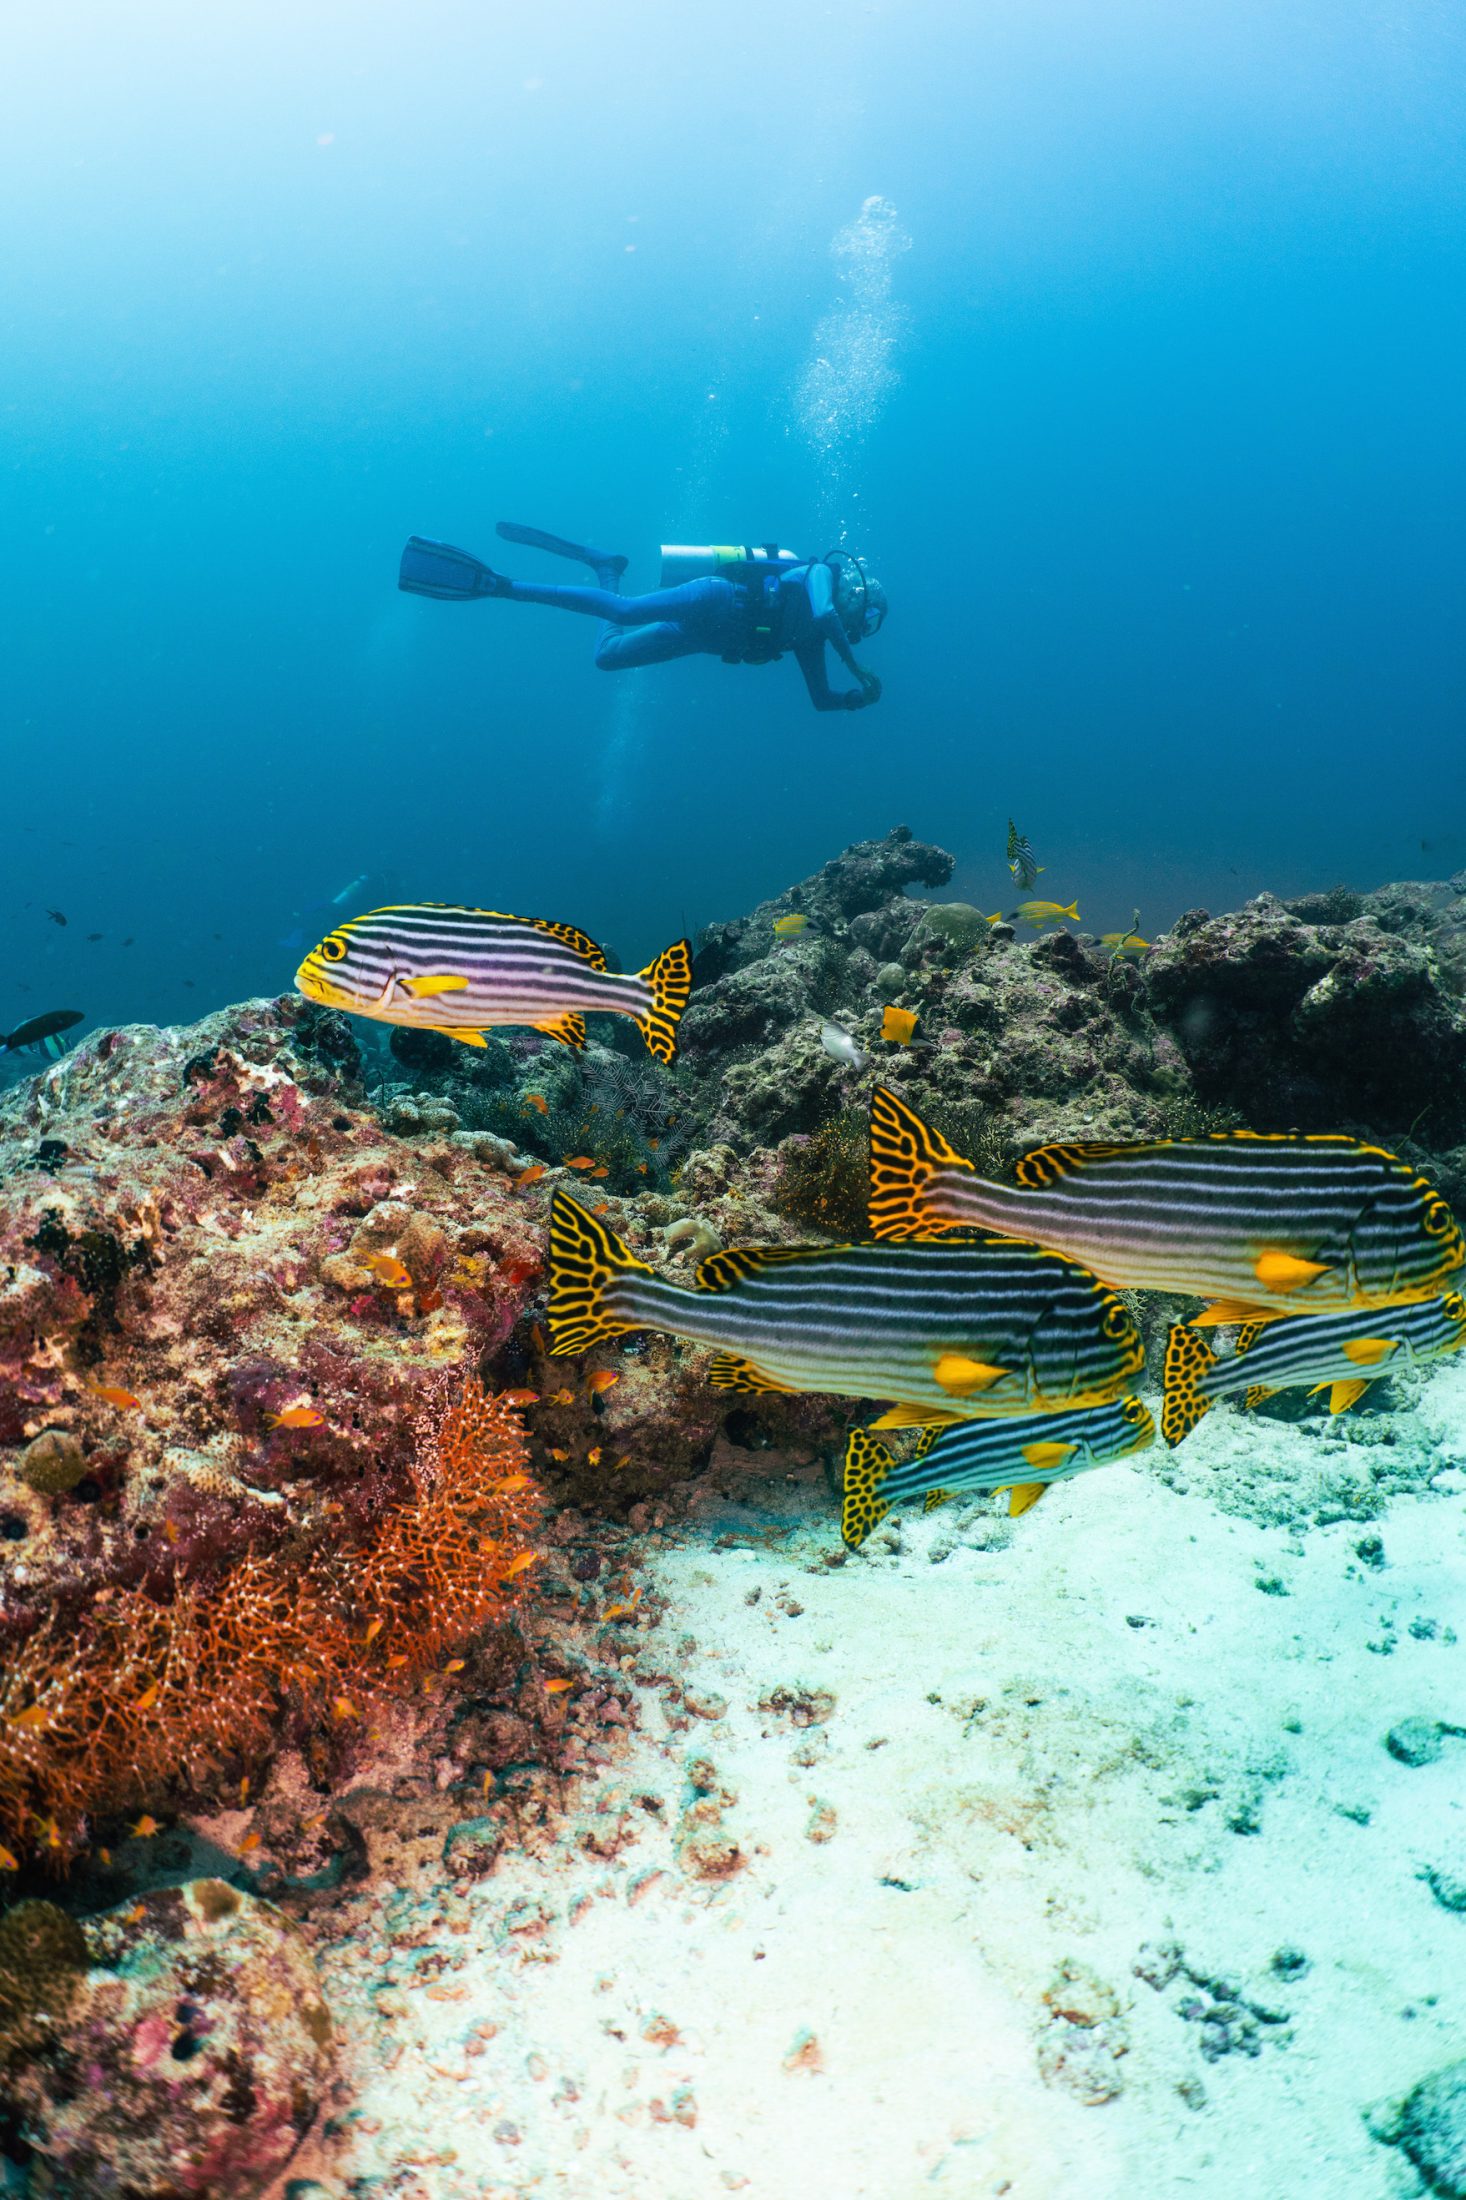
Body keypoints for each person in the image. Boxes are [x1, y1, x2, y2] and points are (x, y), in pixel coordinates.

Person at [398, 522, 886, 712]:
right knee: (624, 611)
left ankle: (605, 566)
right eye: (862, 613)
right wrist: (856, 667)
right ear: (854, 594)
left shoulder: (812, 642)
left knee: (606, 658)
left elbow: (821, 700)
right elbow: (823, 613)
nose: (856, 625)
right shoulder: (820, 574)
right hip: (713, 600)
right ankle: (504, 587)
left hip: (700, 637)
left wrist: (855, 699)